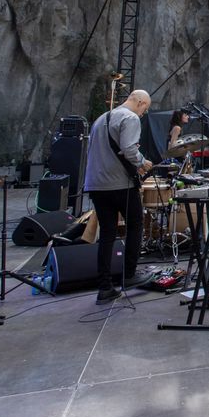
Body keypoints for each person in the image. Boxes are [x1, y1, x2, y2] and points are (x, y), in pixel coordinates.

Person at [83, 90, 154, 304]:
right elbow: (129, 149)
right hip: (119, 184)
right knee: (135, 224)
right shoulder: (130, 118)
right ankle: (129, 275)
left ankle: (104, 287)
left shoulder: (101, 119)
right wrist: (143, 163)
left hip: (96, 184)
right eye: (145, 109)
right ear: (140, 102)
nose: (143, 114)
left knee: (107, 233)